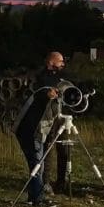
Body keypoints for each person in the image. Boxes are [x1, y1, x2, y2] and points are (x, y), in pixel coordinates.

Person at [13, 71, 60, 207]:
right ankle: (38, 199)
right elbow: (45, 96)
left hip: (29, 132)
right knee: (37, 166)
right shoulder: (42, 95)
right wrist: (49, 95)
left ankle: (33, 197)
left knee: (37, 165)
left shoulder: (41, 98)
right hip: (31, 133)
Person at [34, 51, 71, 193]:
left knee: (64, 149)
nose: (63, 63)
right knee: (47, 150)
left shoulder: (63, 76)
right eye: (60, 61)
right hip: (48, 117)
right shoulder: (42, 77)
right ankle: (45, 182)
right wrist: (48, 94)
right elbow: (40, 94)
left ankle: (62, 182)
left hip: (62, 115)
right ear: (51, 62)